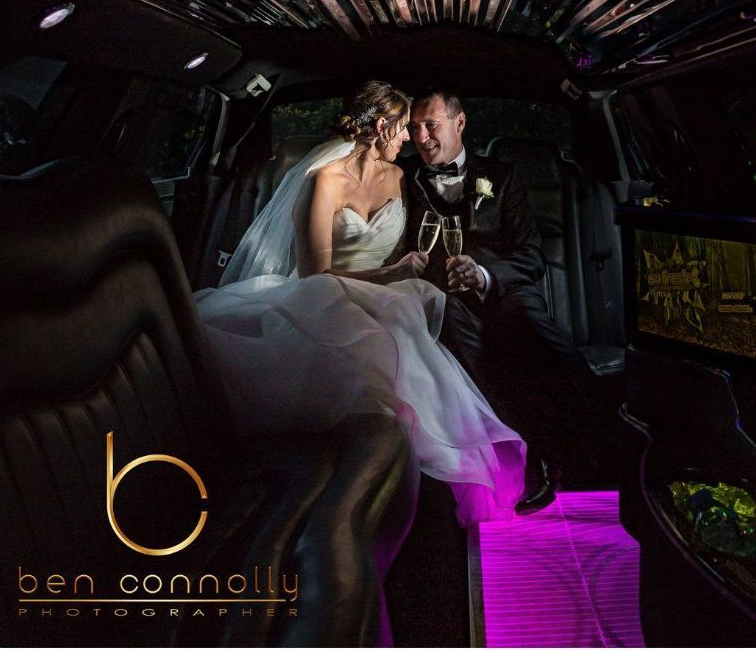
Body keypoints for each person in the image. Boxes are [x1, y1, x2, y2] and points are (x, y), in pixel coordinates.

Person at [194, 80, 526, 527]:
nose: (411, 138)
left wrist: (407, 273)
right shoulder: (324, 181)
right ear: (383, 127)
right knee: (377, 347)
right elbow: (315, 275)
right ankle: (362, 498)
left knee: (411, 328)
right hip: (324, 294)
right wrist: (393, 275)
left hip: (388, 293)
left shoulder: (400, 177)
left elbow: (404, 249)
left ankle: (417, 498)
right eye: (405, 129)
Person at [402, 87, 600, 513]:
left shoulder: (502, 175)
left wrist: (486, 275)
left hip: (506, 290)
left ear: (459, 123)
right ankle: (533, 456)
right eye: (414, 128)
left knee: (536, 334)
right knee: (459, 337)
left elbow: (531, 257)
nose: (421, 137)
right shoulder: (404, 178)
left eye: (431, 125)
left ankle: (599, 444)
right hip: (442, 295)